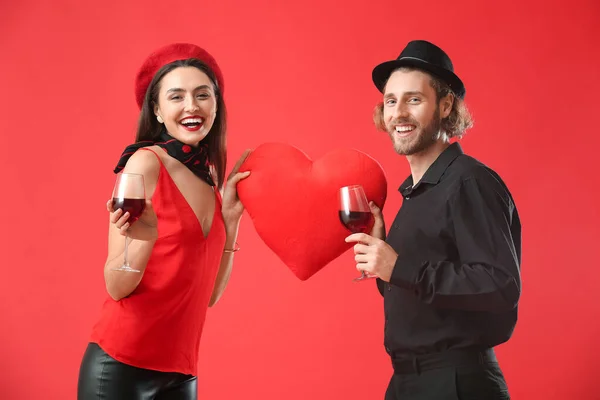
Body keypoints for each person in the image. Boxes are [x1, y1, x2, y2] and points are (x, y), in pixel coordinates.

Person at [345, 40, 521, 399]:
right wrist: (385, 260)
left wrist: (400, 268)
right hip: (408, 383)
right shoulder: (416, 191)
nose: (398, 113)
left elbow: (501, 285)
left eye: (414, 99)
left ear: (445, 106)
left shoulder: (469, 181)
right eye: (391, 101)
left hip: (455, 383)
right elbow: (415, 290)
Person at [77, 43, 250, 399]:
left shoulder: (207, 178)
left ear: (216, 105)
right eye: (177, 96)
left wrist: (230, 221)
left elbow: (209, 296)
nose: (192, 106)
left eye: (203, 95)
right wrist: (141, 241)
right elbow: (116, 286)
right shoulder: (144, 163)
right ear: (156, 110)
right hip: (120, 366)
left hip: (181, 372)